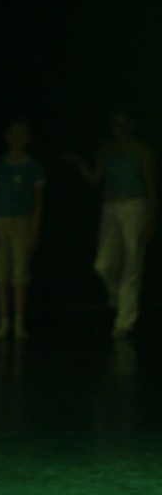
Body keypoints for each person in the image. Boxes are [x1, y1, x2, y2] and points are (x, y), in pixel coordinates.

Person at [65, 110, 157, 338]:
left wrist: (151, 219)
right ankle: (117, 296)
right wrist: (80, 162)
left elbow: (152, 187)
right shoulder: (105, 148)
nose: (120, 129)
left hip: (135, 204)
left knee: (132, 262)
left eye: (124, 124)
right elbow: (96, 180)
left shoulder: (142, 150)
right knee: (103, 264)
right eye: (116, 124)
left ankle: (125, 321)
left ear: (132, 125)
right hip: (111, 205)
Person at [0, 118, 46, 341]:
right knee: (2, 273)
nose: (16, 139)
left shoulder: (33, 166)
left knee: (20, 274)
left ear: (27, 138)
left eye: (21, 134)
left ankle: (19, 322)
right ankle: (4, 321)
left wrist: (34, 230)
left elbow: (38, 202)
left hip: (23, 222)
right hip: (2, 222)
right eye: (13, 134)